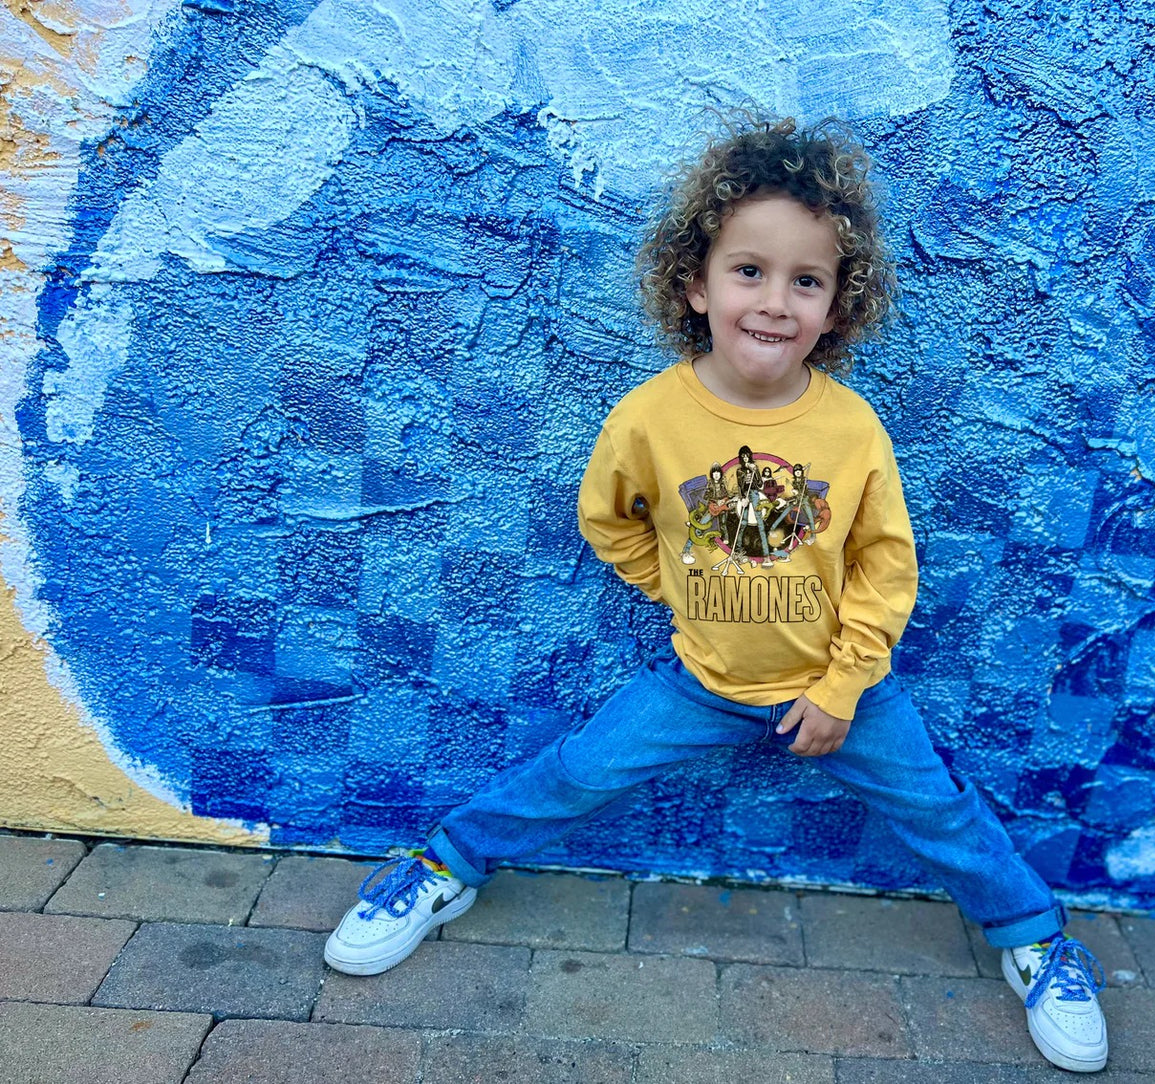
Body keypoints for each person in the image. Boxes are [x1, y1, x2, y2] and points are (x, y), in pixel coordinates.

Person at [324, 113, 1108, 1074]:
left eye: (805, 280)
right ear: (694, 284)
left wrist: (842, 685)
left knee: (940, 810)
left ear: (835, 306)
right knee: (577, 769)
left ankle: (1035, 939)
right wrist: (676, 589)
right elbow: (608, 518)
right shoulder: (651, 417)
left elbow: (883, 565)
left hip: (840, 690)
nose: (774, 301)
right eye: (749, 270)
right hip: (700, 681)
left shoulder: (852, 429)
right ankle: (443, 866)